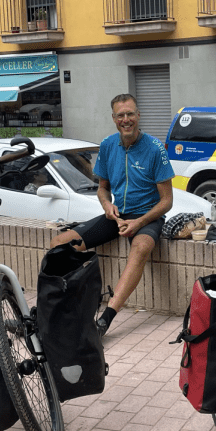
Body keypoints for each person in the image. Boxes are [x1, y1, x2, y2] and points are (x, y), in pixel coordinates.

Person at [49, 94, 174, 337]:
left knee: (140, 247)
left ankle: (105, 320)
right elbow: (102, 188)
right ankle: (58, 308)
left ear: (138, 116)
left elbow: (167, 201)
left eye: (130, 114)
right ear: (114, 118)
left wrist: (139, 221)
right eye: (120, 115)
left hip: (148, 217)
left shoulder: (155, 149)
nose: (126, 119)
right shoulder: (107, 145)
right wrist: (107, 205)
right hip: (117, 217)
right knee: (59, 244)